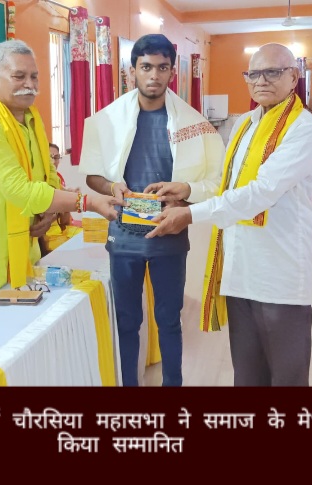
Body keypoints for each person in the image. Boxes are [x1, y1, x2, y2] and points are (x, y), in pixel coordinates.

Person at [145, 43, 312, 387]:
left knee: (287, 377)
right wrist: (186, 190)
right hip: (240, 269)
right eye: (253, 74)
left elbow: (261, 192)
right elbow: (228, 184)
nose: (261, 81)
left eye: (273, 72)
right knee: (247, 374)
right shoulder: (245, 123)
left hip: (279, 273)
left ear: (293, 77)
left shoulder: (305, 129)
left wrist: (191, 215)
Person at [0, 40, 122, 319]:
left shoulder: (30, 118)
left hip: (21, 247)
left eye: (34, 77)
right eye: (19, 76)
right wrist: (86, 202)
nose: (29, 84)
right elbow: (19, 190)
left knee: (21, 330)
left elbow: (46, 174)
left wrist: (50, 211)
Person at [79, 34, 225, 386]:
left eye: (162, 67)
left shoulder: (194, 125)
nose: (154, 75)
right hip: (124, 235)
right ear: (132, 71)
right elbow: (93, 175)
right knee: (126, 320)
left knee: (169, 320)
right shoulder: (106, 120)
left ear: (173, 72)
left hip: (169, 232)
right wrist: (112, 187)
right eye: (146, 67)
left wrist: (184, 195)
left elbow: (216, 181)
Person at [41, 143, 81, 255]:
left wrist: (67, 206)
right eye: (50, 157)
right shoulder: (37, 182)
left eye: (57, 157)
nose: (53, 162)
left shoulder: (58, 178)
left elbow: (65, 223)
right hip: (46, 236)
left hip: (61, 231)